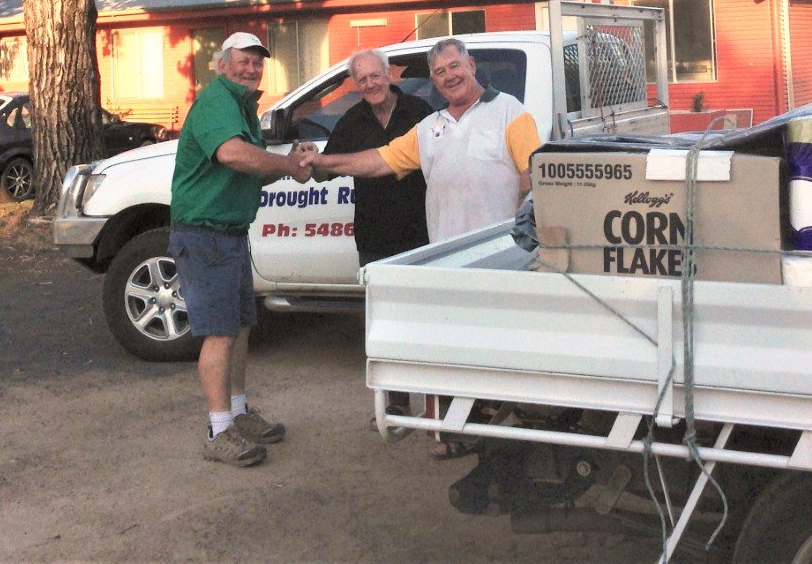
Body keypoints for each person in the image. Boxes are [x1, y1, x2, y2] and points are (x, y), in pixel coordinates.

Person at [169, 31, 313, 468]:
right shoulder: (217, 101)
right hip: (204, 234)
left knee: (239, 327)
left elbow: (252, 170)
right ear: (223, 64)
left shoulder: (242, 107)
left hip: (229, 234)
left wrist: (296, 162)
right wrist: (289, 164)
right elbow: (234, 155)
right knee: (219, 331)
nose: (251, 68)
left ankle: (237, 412)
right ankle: (218, 430)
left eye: (257, 62)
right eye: (243, 60)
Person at [311, 37, 541, 250]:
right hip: (446, 256)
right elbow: (378, 161)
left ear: (471, 65)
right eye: (440, 72)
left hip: (501, 251)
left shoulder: (510, 111)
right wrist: (319, 160)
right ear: (434, 80)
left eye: (454, 66)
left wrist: (520, 240)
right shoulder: (428, 126)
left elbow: (532, 177)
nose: (449, 76)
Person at [323, 49, 434, 268]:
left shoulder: (419, 111)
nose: (370, 84)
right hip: (373, 241)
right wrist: (308, 157)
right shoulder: (351, 121)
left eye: (375, 76)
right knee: (379, 302)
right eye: (362, 79)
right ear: (356, 84)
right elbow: (323, 172)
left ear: (388, 74)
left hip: (420, 235)